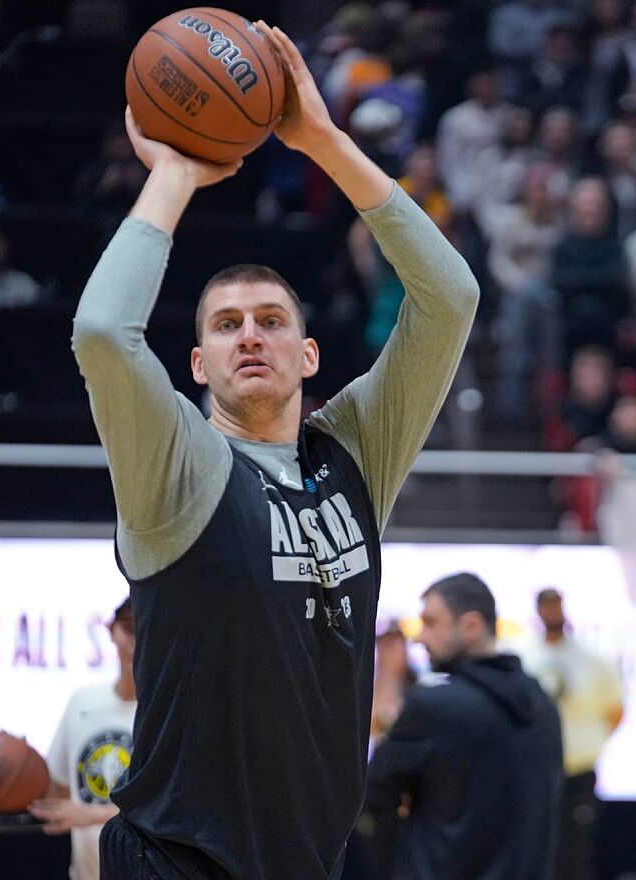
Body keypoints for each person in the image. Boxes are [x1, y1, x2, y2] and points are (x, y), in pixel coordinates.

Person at [72, 22, 478, 880]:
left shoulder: (354, 452)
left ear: (309, 354)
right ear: (197, 365)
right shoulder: (178, 465)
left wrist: (324, 141)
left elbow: (450, 297)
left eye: (271, 321)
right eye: (226, 325)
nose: (250, 336)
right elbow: (104, 332)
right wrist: (174, 175)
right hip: (178, 861)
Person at [363, 573, 562, 880]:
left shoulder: (434, 707)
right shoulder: (544, 706)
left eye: (430, 623)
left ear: (471, 626)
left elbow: (374, 796)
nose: (419, 637)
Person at [28, 597, 137, 880]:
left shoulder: (167, 712)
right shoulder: (82, 702)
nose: (134, 642)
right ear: (111, 630)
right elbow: (57, 793)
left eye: (144, 630)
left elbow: (163, 812)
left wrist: (92, 814)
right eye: (128, 628)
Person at [522, 588, 625, 880]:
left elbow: (615, 710)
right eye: (546, 606)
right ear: (538, 611)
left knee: (576, 855)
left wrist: (590, 743)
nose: (551, 612)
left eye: (555, 605)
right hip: (536, 775)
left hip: (578, 774)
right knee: (535, 854)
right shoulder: (524, 658)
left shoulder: (591, 660)